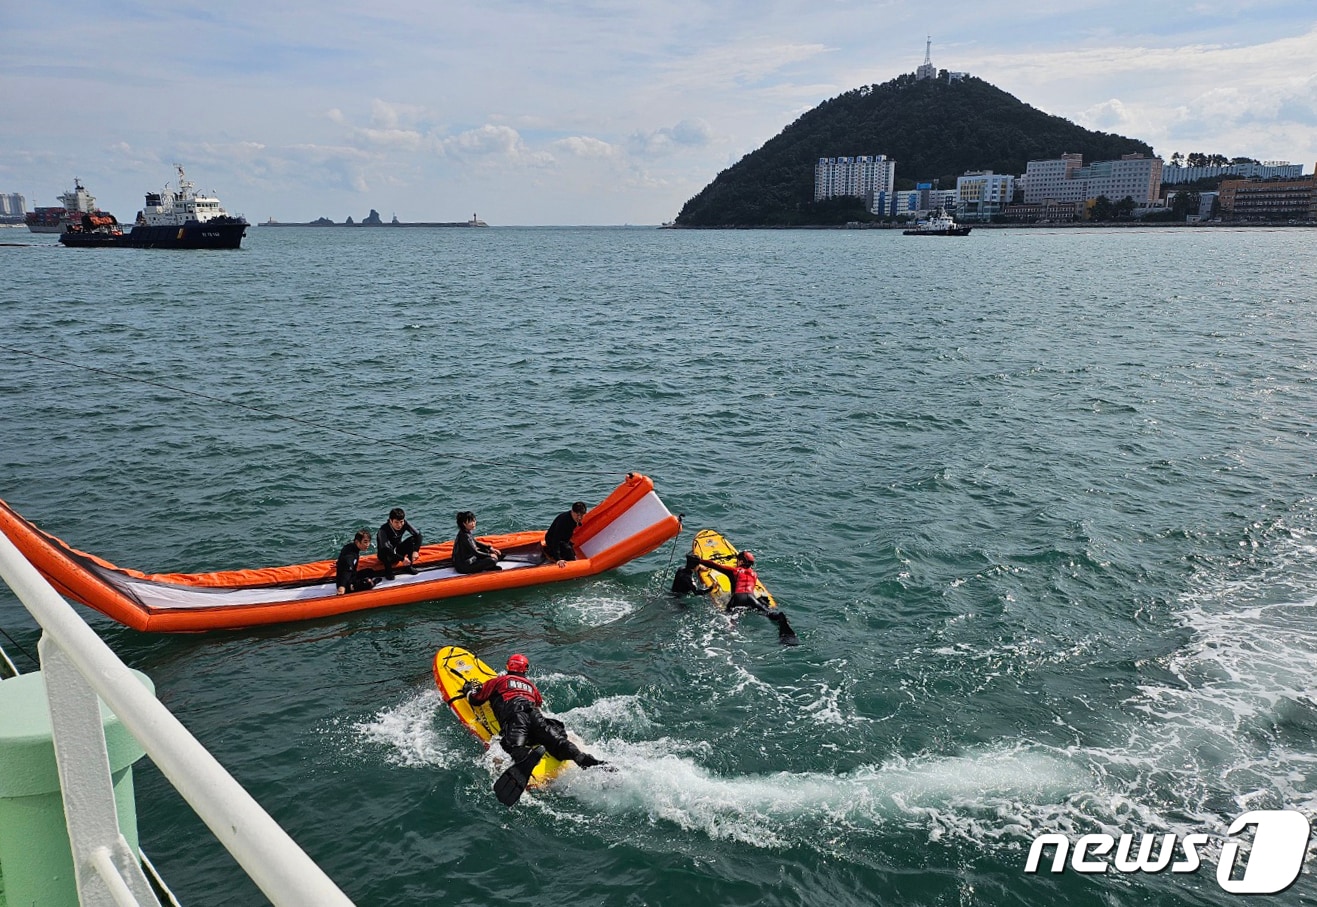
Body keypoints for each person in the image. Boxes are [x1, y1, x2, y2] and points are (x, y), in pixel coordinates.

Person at [465, 653, 607, 769]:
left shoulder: (500, 680)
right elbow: (538, 703)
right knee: (557, 742)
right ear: (525, 669)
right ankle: (581, 757)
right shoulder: (532, 687)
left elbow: (477, 699)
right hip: (535, 715)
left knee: (511, 746)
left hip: (516, 716)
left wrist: (469, 691)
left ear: (508, 666)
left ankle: (527, 756)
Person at [688, 550, 772, 614]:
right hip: (751, 599)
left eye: (737, 561)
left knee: (729, 618)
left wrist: (699, 561)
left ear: (741, 562)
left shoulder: (735, 571)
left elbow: (715, 565)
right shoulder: (754, 574)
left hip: (737, 598)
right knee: (768, 613)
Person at [377, 506, 422, 578]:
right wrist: (402, 559)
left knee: (412, 540)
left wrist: (416, 550)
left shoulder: (405, 523)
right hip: (386, 555)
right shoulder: (383, 530)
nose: (399, 525)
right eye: (396, 522)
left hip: (397, 550)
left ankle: (408, 566)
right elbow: (386, 549)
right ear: (390, 521)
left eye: (401, 522)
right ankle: (388, 570)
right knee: (386, 552)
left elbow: (418, 535)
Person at [543, 501, 587, 567]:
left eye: (582, 515)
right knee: (569, 552)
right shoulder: (564, 522)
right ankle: (551, 552)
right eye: (578, 515)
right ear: (572, 511)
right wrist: (558, 559)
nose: (580, 518)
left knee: (570, 549)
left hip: (563, 540)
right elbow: (555, 539)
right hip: (552, 541)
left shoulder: (573, 518)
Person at [335, 529, 379, 594]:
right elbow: (347, 570)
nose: (368, 545)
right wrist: (342, 586)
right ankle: (373, 583)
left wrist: (339, 563)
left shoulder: (350, 547)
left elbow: (342, 557)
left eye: (369, 542)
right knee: (368, 583)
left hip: (353, 576)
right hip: (347, 583)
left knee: (370, 571)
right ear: (357, 542)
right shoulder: (351, 556)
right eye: (365, 542)